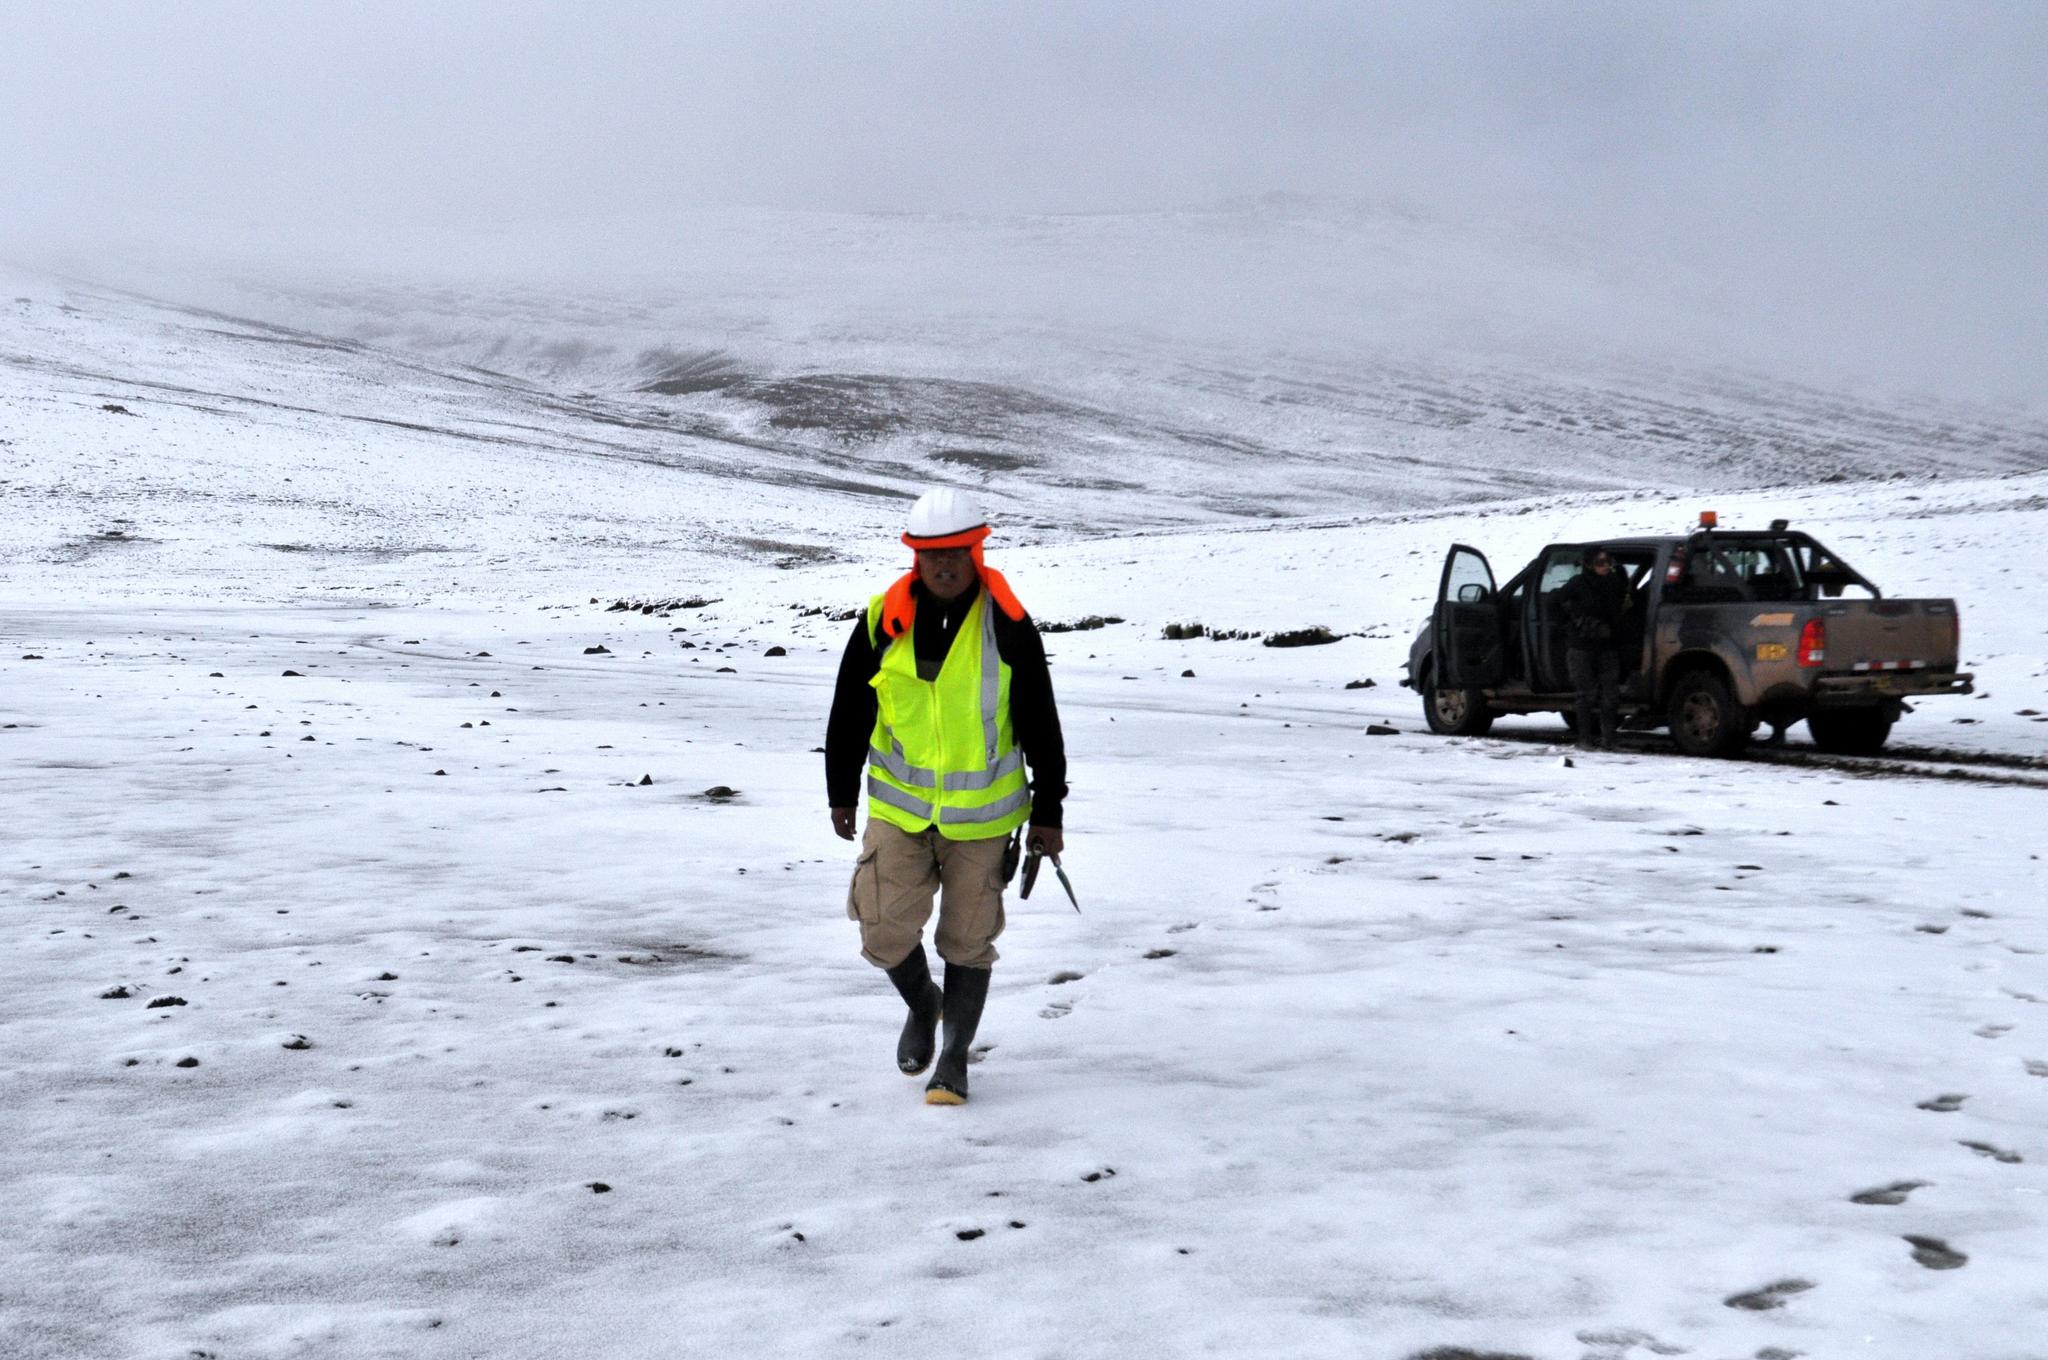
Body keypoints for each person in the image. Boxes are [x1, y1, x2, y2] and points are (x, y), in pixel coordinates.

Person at [825, 487, 1068, 1105]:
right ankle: (922, 1002)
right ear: (915, 556)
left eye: (958, 551)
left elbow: (1041, 721)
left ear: (977, 549)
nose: (946, 563)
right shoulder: (882, 620)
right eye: (932, 553)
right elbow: (850, 708)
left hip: (983, 822)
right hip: (900, 812)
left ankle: (954, 1057)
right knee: (881, 930)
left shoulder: (1007, 626)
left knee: (967, 941)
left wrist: (1049, 811)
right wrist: (840, 791)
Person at [1556, 548, 1633, 749]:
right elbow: (1555, 603)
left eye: (1608, 561)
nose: (1605, 566)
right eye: (1600, 562)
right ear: (1589, 564)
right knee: (1585, 694)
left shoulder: (1614, 583)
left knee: (1611, 694)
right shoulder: (1577, 584)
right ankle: (1584, 739)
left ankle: (1609, 739)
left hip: (1608, 646)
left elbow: (1626, 604)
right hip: (1581, 647)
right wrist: (1579, 621)